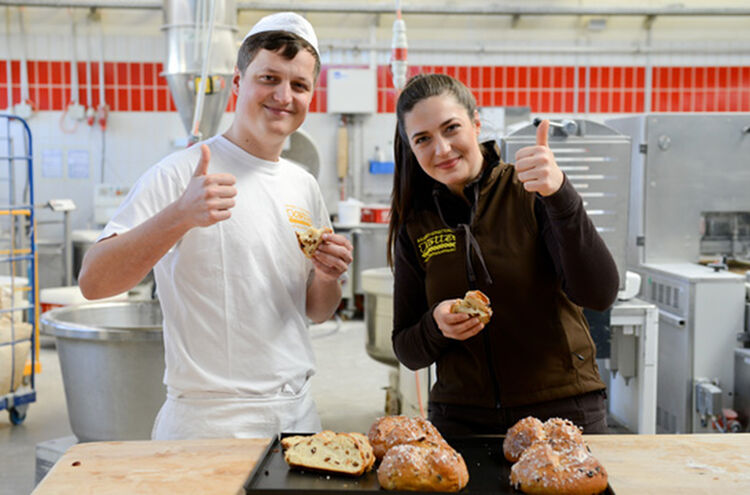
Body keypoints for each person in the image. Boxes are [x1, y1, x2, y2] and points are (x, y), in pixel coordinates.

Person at [78, 12, 353, 440]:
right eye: (269, 78)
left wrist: (326, 275)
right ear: (238, 83)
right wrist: (179, 216)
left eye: (299, 85)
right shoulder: (181, 174)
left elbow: (316, 310)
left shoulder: (304, 186)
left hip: (297, 416)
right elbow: (93, 281)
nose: (284, 95)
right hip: (208, 422)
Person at [387, 73, 619, 435]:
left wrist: (561, 197)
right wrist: (436, 324)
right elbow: (407, 348)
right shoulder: (416, 226)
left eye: (451, 128)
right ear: (411, 148)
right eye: (423, 139)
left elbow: (599, 294)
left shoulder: (530, 190)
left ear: (476, 123)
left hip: (561, 412)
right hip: (464, 421)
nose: (442, 149)